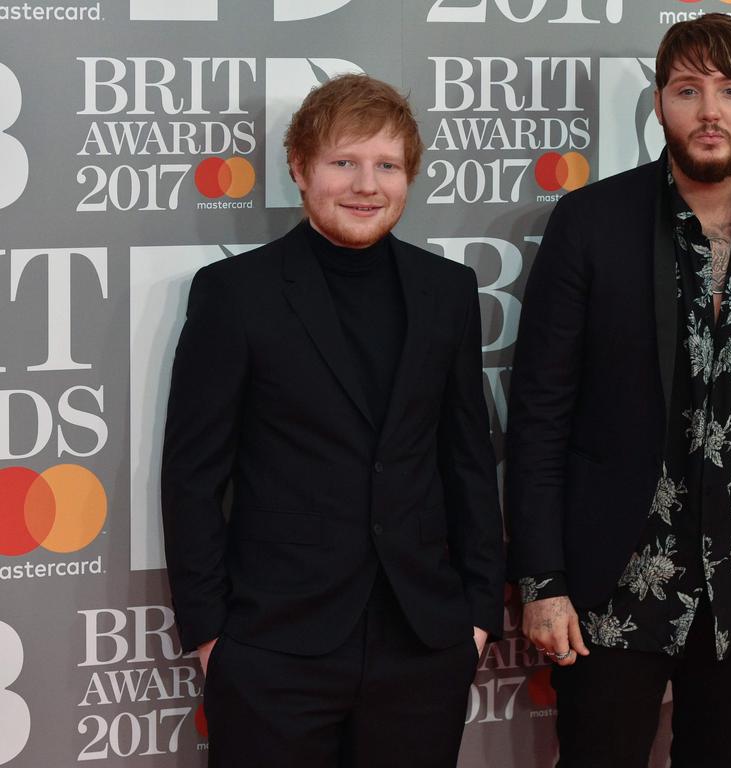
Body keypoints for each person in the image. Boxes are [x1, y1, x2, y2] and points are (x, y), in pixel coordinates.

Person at [506, 14, 731, 767]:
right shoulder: (590, 221)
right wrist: (543, 581)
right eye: (687, 89)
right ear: (659, 102)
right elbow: (539, 414)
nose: (709, 110)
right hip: (614, 579)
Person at [161, 74, 504, 768]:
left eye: (386, 165)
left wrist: (474, 618)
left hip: (422, 644)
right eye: (343, 162)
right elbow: (193, 476)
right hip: (274, 649)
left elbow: (466, 458)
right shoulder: (236, 294)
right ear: (299, 169)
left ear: (409, 175)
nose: (365, 185)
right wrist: (213, 641)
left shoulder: (447, 291)